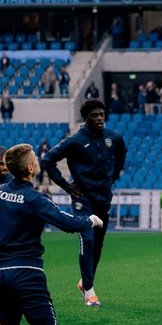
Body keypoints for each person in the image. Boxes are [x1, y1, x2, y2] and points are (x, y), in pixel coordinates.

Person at [0, 145, 105, 325]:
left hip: (0, 273)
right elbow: (67, 223)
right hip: (27, 274)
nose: (37, 160)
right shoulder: (35, 199)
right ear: (30, 168)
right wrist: (90, 221)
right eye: (35, 158)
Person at [41, 100, 127, 308]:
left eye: (101, 114)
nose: (99, 118)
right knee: (87, 239)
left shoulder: (113, 137)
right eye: (94, 115)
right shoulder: (75, 141)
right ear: (86, 117)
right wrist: (66, 186)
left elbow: (122, 154)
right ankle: (89, 291)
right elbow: (47, 161)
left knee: (97, 244)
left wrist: (113, 176)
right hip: (83, 199)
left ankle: (86, 283)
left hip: (103, 197)